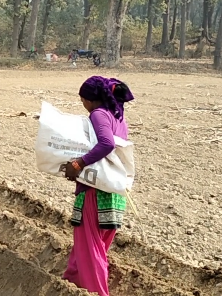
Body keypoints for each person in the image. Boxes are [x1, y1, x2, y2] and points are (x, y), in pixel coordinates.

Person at [61, 76, 134, 296]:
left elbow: (106, 144)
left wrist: (78, 163)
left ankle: (97, 292)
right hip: (114, 192)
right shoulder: (118, 117)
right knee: (91, 247)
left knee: (91, 250)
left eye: (83, 99)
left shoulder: (99, 114)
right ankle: (70, 282)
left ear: (92, 99)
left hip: (95, 192)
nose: (82, 103)